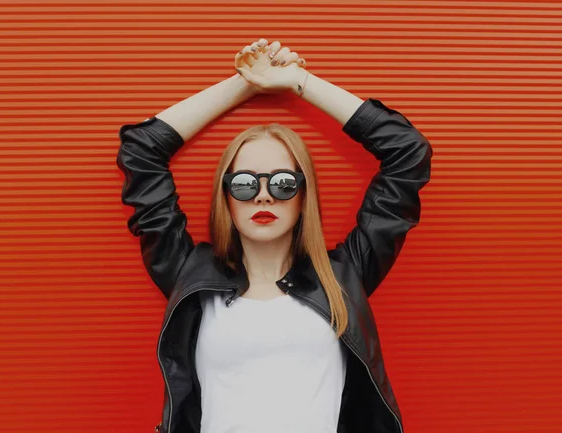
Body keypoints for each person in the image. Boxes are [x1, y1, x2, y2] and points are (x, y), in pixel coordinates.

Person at [116, 38, 432, 433]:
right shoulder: (190, 276)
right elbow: (141, 149)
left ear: (303, 197)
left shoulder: (344, 276)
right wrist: (245, 84)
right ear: (226, 197)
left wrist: (300, 82)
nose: (263, 194)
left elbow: (407, 151)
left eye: (283, 183)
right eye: (245, 184)